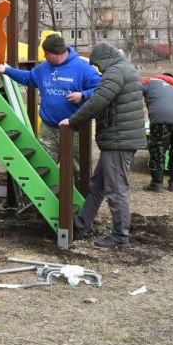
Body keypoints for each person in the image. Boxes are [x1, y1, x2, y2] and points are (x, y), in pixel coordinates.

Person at [59, 42, 146, 249]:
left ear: (105, 60)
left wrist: (72, 121)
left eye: (99, 65)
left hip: (119, 139)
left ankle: (120, 236)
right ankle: (81, 226)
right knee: (97, 186)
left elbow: (98, 100)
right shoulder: (124, 67)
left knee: (116, 190)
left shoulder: (115, 72)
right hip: (118, 138)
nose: (99, 70)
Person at [0, 34, 99, 178]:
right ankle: (50, 197)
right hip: (49, 127)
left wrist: (83, 95)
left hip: (75, 128)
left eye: (47, 53)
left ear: (57, 54)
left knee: (77, 167)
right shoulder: (44, 68)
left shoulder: (83, 69)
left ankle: (80, 198)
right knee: (45, 165)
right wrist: (7, 70)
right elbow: (27, 77)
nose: (44, 56)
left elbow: (101, 89)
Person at [142, 73, 173, 192]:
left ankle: (157, 184)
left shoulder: (150, 82)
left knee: (158, 150)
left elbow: (132, 88)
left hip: (161, 118)